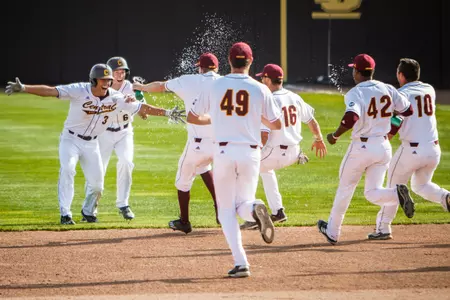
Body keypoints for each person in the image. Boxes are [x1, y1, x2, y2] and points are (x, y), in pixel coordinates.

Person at [5, 64, 185, 225]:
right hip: (71, 140)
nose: (107, 83)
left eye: (108, 79)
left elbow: (141, 108)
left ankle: (87, 211)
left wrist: (168, 112)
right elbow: (51, 91)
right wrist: (24, 88)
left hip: (91, 144)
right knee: (68, 169)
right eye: (103, 80)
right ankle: (65, 214)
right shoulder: (78, 90)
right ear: (93, 80)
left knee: (98, 186)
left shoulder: (115, 97)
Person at [187, 42, 282, 278]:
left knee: (226, 211)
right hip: (251, 152)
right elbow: (277, 123)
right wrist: (254, 114)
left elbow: (193, 115)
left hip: (223, 151)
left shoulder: (216, 84)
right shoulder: (261, 88)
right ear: (250, 61)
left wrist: (216, 118)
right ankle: (254, 208)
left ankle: (241, 263)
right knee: (243, 203)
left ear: (229, 61)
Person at [316, 54, 415, 245]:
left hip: (361, 147)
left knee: (345, 189)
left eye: (354, 69)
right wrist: (388, 117)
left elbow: (351, 118)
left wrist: (335, 135)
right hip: (383, 146)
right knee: (372, 192)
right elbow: (408, 110)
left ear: (357, 71)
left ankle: (333, 232)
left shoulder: (356, 92)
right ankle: (397, 194)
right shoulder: (387, 88)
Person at [133, 53, 220, 234]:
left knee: (182, 181)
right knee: (204, 167)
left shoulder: (188, 80)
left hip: (197, 144)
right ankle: (221, 210)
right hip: (221, 143)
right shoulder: (225, 82)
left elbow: (160, 86)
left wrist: (141, 87)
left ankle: (184, 221)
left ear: (200, 68)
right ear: (217, 68)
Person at [369, 58, 450, 240]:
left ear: (401, 75)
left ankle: (383, 227)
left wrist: (385, 139)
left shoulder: (401, 94)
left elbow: (397, 120)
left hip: (411, 151)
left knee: (393, 187)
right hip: (433, 150)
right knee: (421, 185)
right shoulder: (429, 89)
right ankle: (446, 197)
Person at [240, 64, 327, 230]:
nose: (261, 80)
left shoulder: (269, 100)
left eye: (262, 78)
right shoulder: (294, 97)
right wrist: (319, 139)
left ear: (267, 79)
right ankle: (278, 211)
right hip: (294, 152)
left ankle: (251, 214)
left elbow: (264, 136)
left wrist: (251, 153)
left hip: (274, 153)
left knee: (244, 169)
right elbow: (311, 121)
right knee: (265, 170)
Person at [89, 56, 145, 220]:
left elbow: (143, 113)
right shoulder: (102, 88)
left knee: (127, 163)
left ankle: (123, 204)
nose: (120, 74)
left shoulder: (131, 87)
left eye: (123, 71)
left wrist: (139, 97)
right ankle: (91, 206)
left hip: (124, 132)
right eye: (117, 71)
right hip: (104, 132)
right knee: (98, 169)